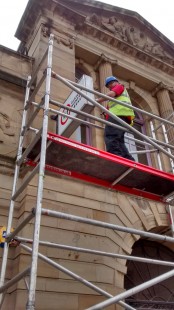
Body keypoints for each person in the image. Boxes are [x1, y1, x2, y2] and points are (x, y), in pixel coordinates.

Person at [96, 76, 135, 161]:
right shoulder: (116, 96)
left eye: (110, 84)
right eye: (108, 86)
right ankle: (128, 159)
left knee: (110, 135)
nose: (109, 87)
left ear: (116, 82)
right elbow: (110, 108)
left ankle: (115, 157)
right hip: (124, 117)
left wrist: (97, 100)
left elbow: (110, 94)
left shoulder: (119, 86)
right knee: (119, 140)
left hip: (119, 115)